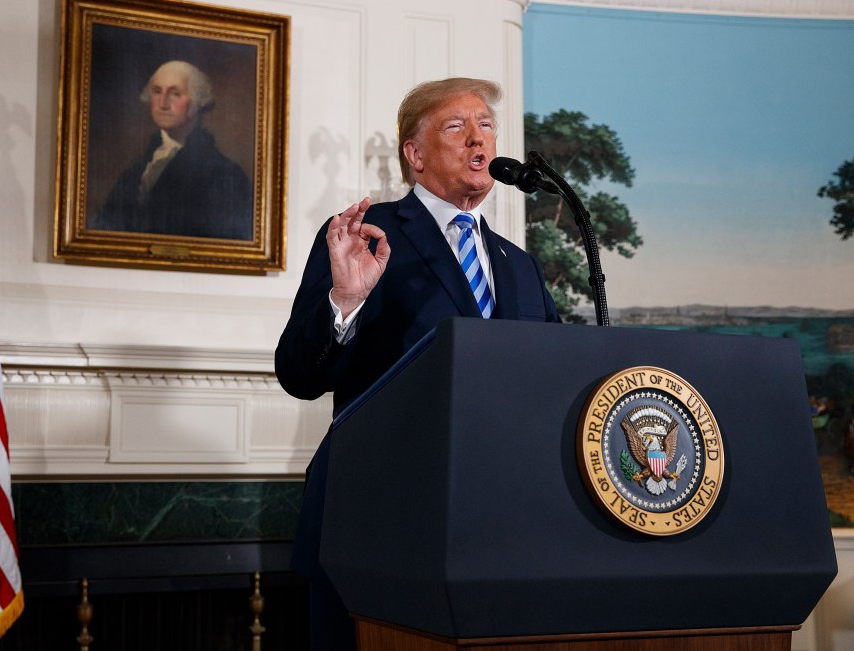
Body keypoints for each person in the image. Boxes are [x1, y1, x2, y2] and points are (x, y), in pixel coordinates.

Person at [275, 77, 561, 650]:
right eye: (456, 126)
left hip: (500, 524)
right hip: (381, 519)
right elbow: (298, 375)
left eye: (486, 125)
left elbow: (552, 380)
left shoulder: (519, 265)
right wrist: (345, 302)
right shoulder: (368, 236)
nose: (479, 139)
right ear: (415, 154)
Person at [93, 60, 254, 239]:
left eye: (175, 94)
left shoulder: (226, 175)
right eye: (156, 92)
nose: (162, 103)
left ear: (198, 101)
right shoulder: (134, 172)